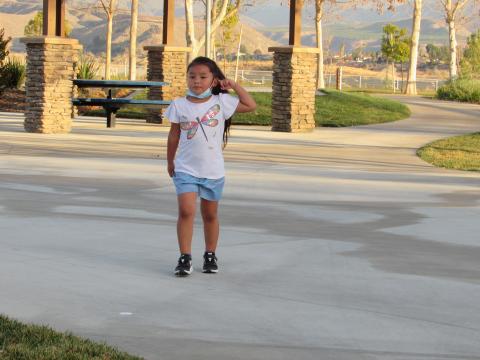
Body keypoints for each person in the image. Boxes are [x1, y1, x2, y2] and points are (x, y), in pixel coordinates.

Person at [164, 57, 256, 276]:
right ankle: (185, 257)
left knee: (210, 215)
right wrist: (170, 161)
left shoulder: (220, 103)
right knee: (186, 211)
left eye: (203, 77)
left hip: (212, 171)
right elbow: (174, 135)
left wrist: (233, 85)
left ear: (214, 80)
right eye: (192, 76)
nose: (197, 81)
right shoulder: (178, 105)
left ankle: (210, 254)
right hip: (186, 169)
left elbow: (250, 105)